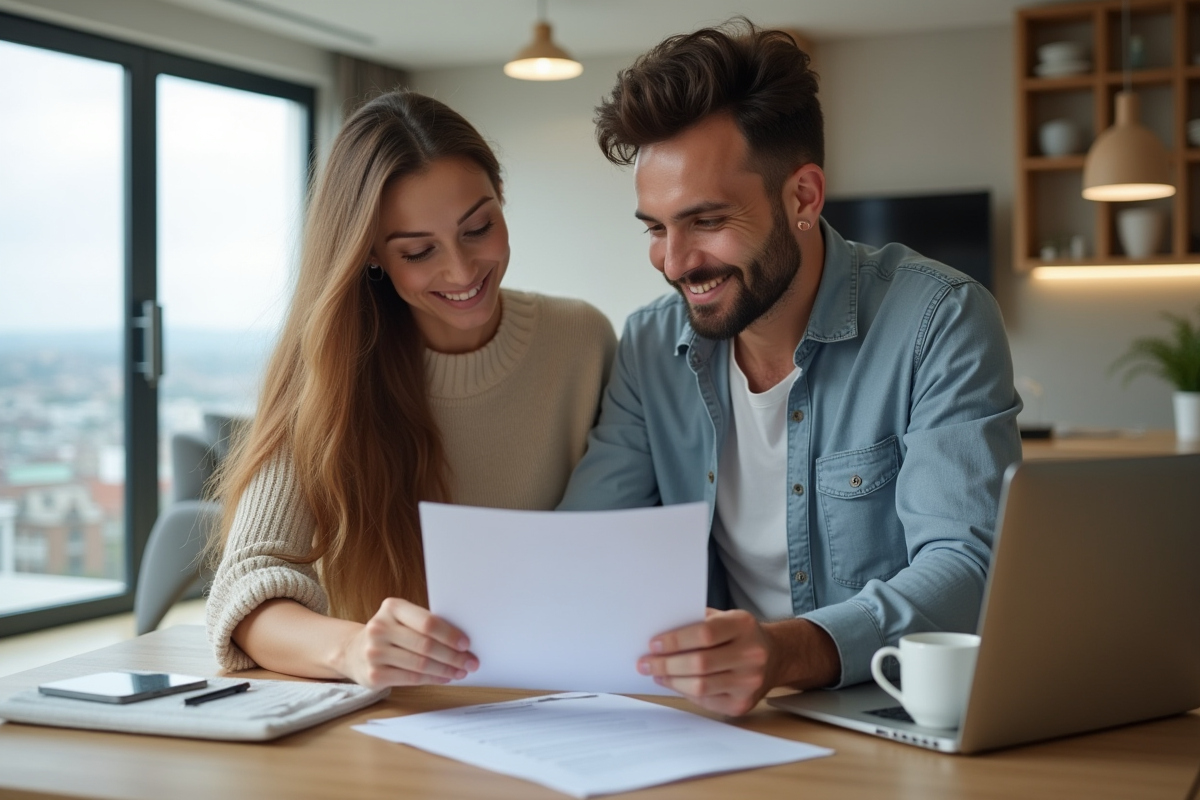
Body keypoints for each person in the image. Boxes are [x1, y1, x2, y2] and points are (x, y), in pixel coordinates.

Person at [559, 21, 1022, 716]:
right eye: (656, 228)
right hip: (715, 722)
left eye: (706, 220)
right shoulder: (651, 345)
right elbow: (585, 546)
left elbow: (968, 569)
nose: (675, 263)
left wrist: (785, 652)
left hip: (886, 710)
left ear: (803, 198)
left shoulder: (939, 320)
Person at [205, 90, 615, 689]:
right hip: (394, 718)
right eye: (419, 251)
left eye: (479, 227)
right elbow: (243, 588)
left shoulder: (582, 339)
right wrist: (351, 649)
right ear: (370, 255)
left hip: (555, 694)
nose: (461, 270)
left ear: (502, 201)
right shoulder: (330, 369)